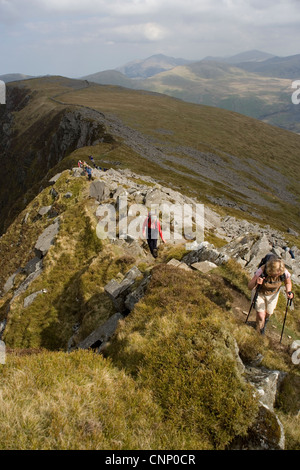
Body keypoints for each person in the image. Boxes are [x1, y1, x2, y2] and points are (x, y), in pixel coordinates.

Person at [248, 256, 294, 335]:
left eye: (279, 273)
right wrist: (256, 282)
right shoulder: (262, 270)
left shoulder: (284, 272)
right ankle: (260, 333)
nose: (277, 275)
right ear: (270, 270)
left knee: (268, 313)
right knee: (261, 314)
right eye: (275, 273)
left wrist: (288, 291)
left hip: (273, 295)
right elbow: (249, 286)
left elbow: (288, 283)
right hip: (260, 292)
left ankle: (262, 323)